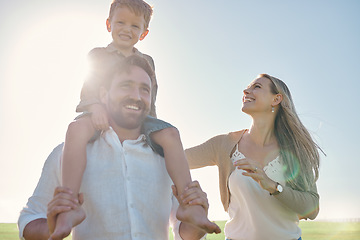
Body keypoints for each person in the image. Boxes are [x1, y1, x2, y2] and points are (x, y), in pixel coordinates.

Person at [58, 0, 219, 238]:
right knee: (75, 129)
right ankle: (69, 206)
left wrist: (149, 126)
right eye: (120, 22)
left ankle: (190, 206)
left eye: (135, 26)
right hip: (98, 113)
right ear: (108, 24)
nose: (126, 29)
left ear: (143, 33)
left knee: (171, 134)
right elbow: (88, 90)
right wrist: (95, 107)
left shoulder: (147, 61)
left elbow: (149, 96)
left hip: (139, 119)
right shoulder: (98, 55)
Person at [18, 55, 212, 240]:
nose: (136, 96)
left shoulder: (167, 157)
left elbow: (185, 232)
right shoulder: (68, 152)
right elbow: (29, 220)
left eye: (144, 89)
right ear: (103, 94)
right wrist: (50, 230)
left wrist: (196, 218)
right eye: (125, 86)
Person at [183, 74, 322, 240]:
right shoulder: (224, 145)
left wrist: (273, 187)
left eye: (256, 87)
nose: (246, 90)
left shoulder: (295, 150)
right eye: (248, 87)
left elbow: (312, 208)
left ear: (276, 99)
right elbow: (176, 158)